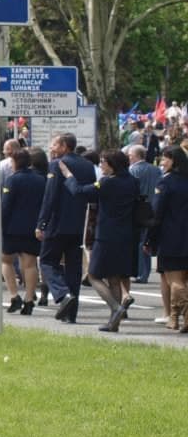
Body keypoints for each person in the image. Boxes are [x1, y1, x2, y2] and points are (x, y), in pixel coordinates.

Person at [60, 149, 139, 331]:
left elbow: (79, 192)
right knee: (114, 277)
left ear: (113, 165)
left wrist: (69, 176)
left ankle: (115, 307)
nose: (101, 165)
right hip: (126, 235)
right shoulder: (132, 181)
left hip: (106, 235)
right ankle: (114, 323)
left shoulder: (107, 183)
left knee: (93, 275)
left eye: (104, 162)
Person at [35, 132, 97, 323]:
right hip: (78, 223)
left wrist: (41, 223)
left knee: (46, 261)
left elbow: (50, 196)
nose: (51, 148)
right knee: (74, 268)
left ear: (64, 146)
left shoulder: (57, 164)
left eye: (54, 145)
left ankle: (62, 295)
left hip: (57, 223)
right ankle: (72, 313)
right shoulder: (88, 165)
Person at [146, 145, 188, 332]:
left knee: (174, 280)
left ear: (174, 161)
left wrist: (149, 239)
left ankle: (185, 314)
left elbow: (157, 214)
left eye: (165, 159)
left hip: (172, 237)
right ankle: (174, 318)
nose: (162, 163)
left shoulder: (165, 183)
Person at [1, 148, 46, 314]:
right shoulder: (41, 180)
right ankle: (29, 298)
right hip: (32, 227)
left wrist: (0, 225)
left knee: (6, 261)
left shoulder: (12, 180)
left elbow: (6, 205)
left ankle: (14, 295)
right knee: (30, 263)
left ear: (15, 162)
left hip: (12, 227)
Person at [128, 144, 162, 283]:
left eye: (130, 156)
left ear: (136, 156)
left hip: (137, 208)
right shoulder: (155, 170)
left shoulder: (132, 170)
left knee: (138, 241)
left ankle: (139, 272)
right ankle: (144, 273)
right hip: (153, 207)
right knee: (146, 241)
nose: (129, 158)